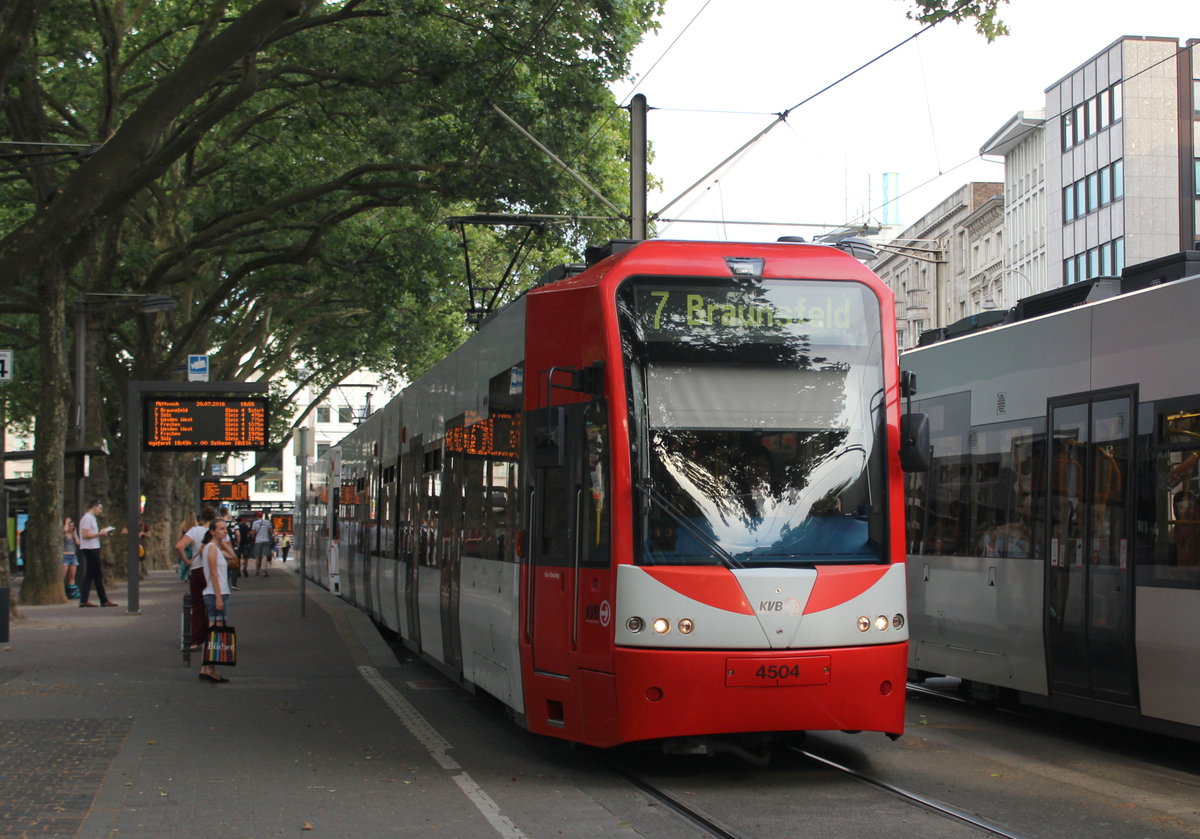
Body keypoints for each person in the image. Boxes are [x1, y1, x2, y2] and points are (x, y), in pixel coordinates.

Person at [177, 507, 216, 650]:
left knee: (197, 605)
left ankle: (195, 640)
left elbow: (179, 546)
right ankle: (211, 639)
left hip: (197, 570)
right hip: (213, 570)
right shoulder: (216, 531)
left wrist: (187, 561)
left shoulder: (194, 531)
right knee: (213, 604)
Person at [199, 518, 231, 684]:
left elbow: (232, 556)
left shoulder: (214, 547)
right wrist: (219, 597)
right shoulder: (211, 548)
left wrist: (223, 542)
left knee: (213, 634)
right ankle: (209, 669)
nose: (224, 532)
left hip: (218, 593)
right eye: (220, 529)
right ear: (212, 532)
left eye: (225, 529)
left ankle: (206, 668)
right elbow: (213, 573)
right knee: (214, 635)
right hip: (215, 594)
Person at [78, 499, 120, 608]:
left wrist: (101, 533)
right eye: (100, 508)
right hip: (90, 548)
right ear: (95, 507)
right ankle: (99, 599)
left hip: (93, 547)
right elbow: (85, 535)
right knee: (94, 574)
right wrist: (100, 534)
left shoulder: (91, 518)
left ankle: (91, 599)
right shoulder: (87, 518)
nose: (101, 511)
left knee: (94, 575)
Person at [250, 510, 273, 577]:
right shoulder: (268, 522)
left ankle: (257, 571)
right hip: (266, 540)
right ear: (262, 515)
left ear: (257, 516)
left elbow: (253, 533)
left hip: (258, 541)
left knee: (258, 557)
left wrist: (251, 534)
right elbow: (271, 532)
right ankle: (265, 571)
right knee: (265, 556)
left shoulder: (255, 523)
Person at [62, 517, 81, 599]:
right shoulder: (64, 534)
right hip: (65, 555)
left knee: (72, 575)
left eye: (72, 526)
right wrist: (66, 522)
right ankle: (62, 591)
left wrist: (75, 533)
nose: (71, 527)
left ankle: (72, 592)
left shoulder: (73, 534)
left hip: (73, 556)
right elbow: (64, 531)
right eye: (70, 526)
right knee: (63, 574)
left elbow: (78, 543)